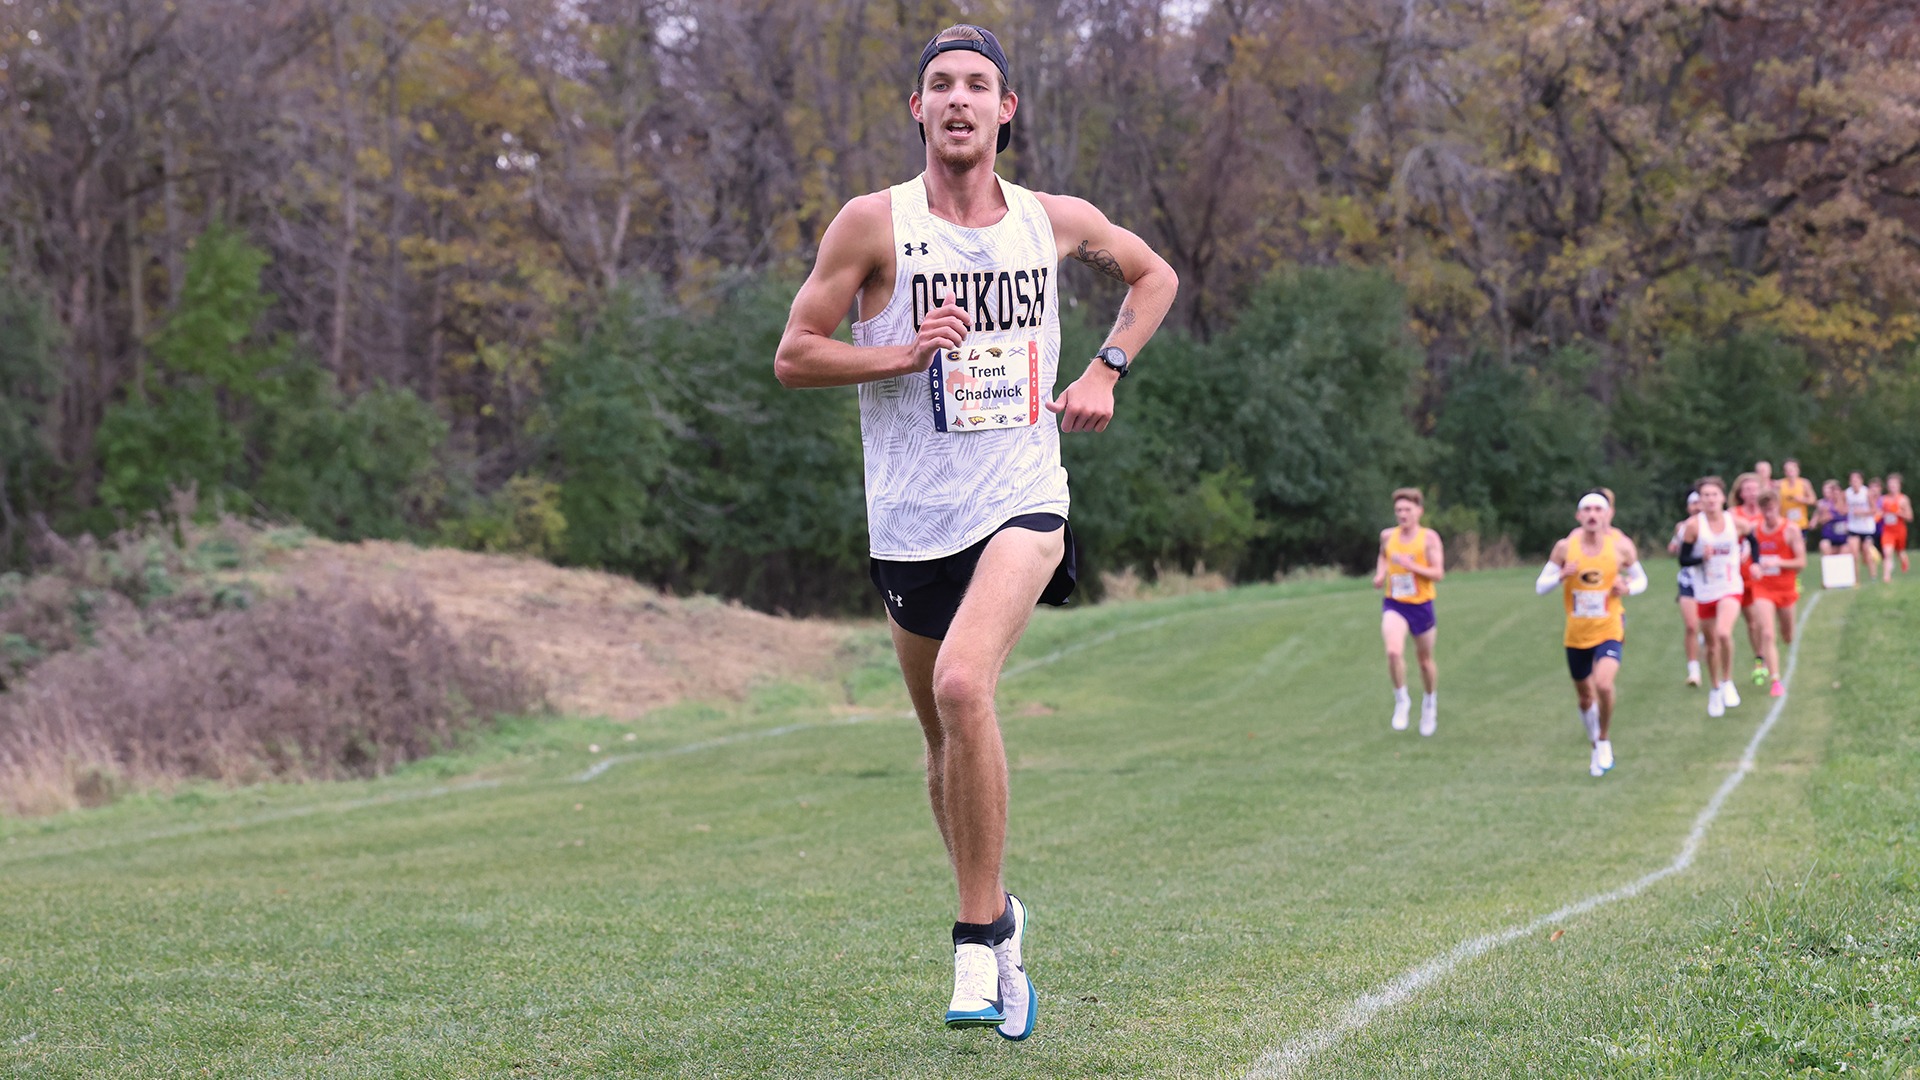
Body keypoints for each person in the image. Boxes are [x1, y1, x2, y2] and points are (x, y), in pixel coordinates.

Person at [773, 23, 1177, 1039]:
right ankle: (1001, 917)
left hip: (1023, 497)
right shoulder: (873, 224)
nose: (960, 99)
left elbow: (1155, 276)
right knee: (941, 739)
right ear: (918, 111)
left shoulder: (1053, 220)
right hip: (911, 523)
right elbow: (795, 355)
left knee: (964, 687)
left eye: (979, 85)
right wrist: (902, 354)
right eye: (940, 85)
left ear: (1006, 111)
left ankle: (972, 939)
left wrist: (1104, 371)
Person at [1536, 490, 1648, 777]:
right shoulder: (1564, 548)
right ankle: (1594, 743)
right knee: (1585, 698)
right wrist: (1561, 575)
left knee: (1604, 685)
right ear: (1578, 516)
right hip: (1576, 633)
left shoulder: (1621, 547)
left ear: (1607, 514)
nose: (1592, 515)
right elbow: (1540, 586)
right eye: (1587, 510)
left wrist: (1628, 588)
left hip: (1609, 627)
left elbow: (1641, 579)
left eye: (1598, 509)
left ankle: (1604, 738)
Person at [1372, 488, 1445, 735]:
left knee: (1424, 661)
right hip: (1395, 603)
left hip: (1421, 605)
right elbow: (1383, 556)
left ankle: (1429, 703)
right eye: (1399, 510)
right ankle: (1402, 699)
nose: (1402, 514)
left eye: (1407, 510)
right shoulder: (1387, 536)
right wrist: (1381, 573)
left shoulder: (1429, 538)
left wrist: (1412, 566)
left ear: (1419, 512)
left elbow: (1438, 573)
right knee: (1393, 652)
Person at [1678, 476, 1752, 717]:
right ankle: (1715, 687)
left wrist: (1756, 562)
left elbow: (1753, 540)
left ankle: (1729, 681)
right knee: (1711, 645)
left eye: (1714, 495)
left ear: (1722, 497)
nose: (1710, 499)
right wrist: (1702, 557)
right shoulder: (1694, 526)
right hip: (1705, 589)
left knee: (1723, 633)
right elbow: (1683, 559)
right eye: (1705, 496)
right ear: (1700, 501)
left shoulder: (1735, 522)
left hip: (1730, 585)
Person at [1745, 488, 1806, 697]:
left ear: (1778, 507)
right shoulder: (1754, 529)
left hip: (1786, 588)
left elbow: (1801, 563)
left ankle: (1783, 643)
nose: (1768, 514)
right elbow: (1747, 553)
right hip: (1763, 588)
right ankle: (1775, 681)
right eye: (1764, 510)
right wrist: (1752, 565)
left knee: (1788, 636)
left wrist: (1779, 561)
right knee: (1767, 632)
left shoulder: (1790, 530)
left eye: (1771, 509)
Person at [1728, 473, 1768, 686]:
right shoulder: (1733, 514)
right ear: (1740, 493)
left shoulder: (1767, 514)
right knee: (1752, 623)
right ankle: (1760, 658)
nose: (1752, 493)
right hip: (1738, 574)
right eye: (1748, 490)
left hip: (1763, 575)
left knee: (1763, 620)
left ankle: (1764, 654)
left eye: (1756, 489)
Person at [1667, 490, 1705, 686]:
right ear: (1688, 507)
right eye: (1693, 503)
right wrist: (1674, 546)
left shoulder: (1716, 526)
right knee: (1691, 625)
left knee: (1709, 629)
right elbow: (1674, 547)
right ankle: (1694, 671)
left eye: (1700, 502)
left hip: (1711, 582)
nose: (1697, 506)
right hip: (1687, 580)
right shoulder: (1681, 526)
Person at [1845, 471, 1880, 582]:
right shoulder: (1847, 493)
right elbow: (1842, 507)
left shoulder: (1867, 493)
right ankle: (1856, 580)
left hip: (1866, 528)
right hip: (1853, 527)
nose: (1855, 483)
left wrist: (1862, 512)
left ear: (1861, 481)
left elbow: (1874, 510)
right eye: (1852, 480)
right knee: (1853, 553)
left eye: (1857, 480)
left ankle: (1873, 576)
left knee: (1867, 552)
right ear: (1850, 482)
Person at [1882, 473, 1912, 580]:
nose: (1892, 486)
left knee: (1900, 551)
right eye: (1890, 484)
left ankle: (1904, 559)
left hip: (1899, 530)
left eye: (1894, 484)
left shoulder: (1903, 499)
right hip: (1888, 531)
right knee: (1887, 552)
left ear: (1899, 485)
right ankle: (1886, 577)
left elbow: (1910, 517)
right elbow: (1879, 513)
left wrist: (1899, 512)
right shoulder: (1884, 499)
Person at [1777, 459, 1817, 532]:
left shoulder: (1804, 483)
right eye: (1787, 470)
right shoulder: (1779, 484)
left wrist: (1803, 499)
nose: (1790, 472)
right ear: (1784, 472)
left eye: (1792, 469)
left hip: (1801, 523)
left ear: (1798, 470)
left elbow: (1813, 500)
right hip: (1784, 523)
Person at [1815, 479, 1851, 557]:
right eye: (1833, 492)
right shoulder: (1826, 506)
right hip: (1830, 536)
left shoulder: (1846, 505)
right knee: (1824, 545)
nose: (1836, 494)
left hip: (1843, 538)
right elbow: (1820, 521)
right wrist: (1826, 518)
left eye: (1837, 492)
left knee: (1845, 552)